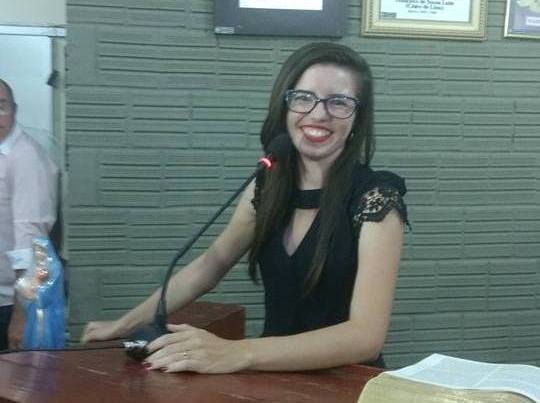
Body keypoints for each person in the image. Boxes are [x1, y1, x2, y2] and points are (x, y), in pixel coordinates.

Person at [82, 42, 408, 373]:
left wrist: (238, 352)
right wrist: (125, 324)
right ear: (285, 105)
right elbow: (211, 264)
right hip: (271, 376)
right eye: (303, 97)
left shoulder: (376, 199)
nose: (318, 113)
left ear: (357, 118)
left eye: (339, 102)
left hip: (348, 381)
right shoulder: (268, 185)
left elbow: (365, 336)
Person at [0, 78, 59, 350]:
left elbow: (34, 247)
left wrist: (21, 316)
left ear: (15, 110)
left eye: (1, 106)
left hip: (10, 305)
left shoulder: (26, 158)